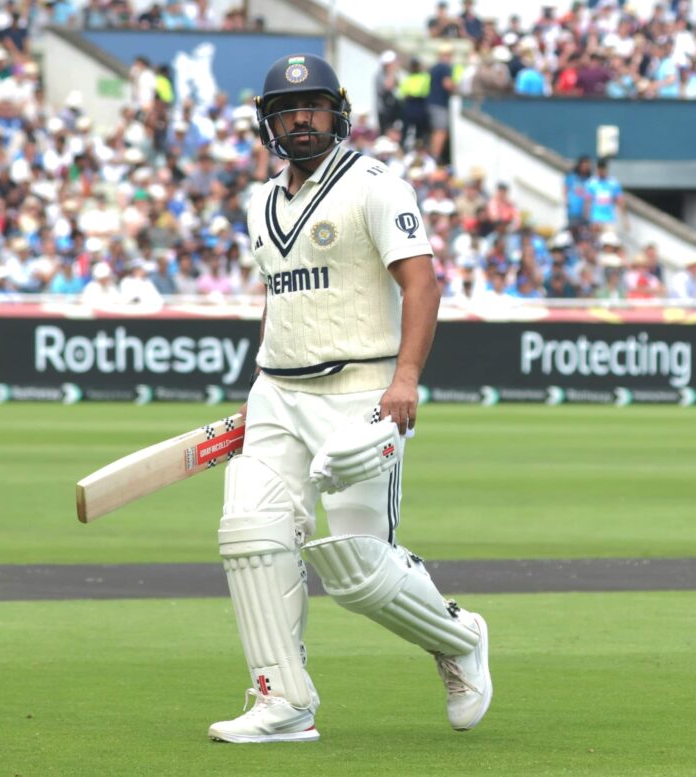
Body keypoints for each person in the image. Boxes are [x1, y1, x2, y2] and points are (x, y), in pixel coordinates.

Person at [207, 53, 491, 744]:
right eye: (287, 110)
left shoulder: (376, 186)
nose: (302, 120)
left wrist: (407, 377)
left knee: (359, 568)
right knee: (251, 536)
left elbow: (422, 286)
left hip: (363, 387)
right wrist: (261, 388)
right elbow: (280, 301)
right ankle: (283, 702)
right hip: (277, 389)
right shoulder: (258, 202)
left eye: (314, 106)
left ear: (339, 112)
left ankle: (457, 637)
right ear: (268, 124)